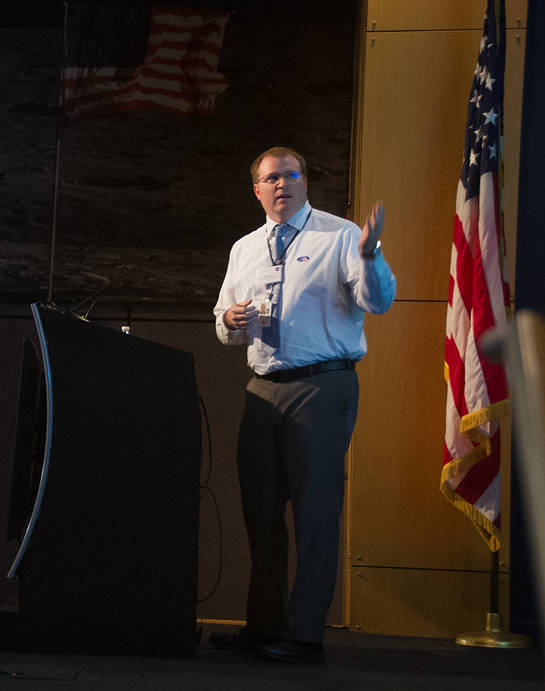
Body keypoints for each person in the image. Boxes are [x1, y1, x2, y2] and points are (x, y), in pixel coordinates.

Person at [210, 147, 396, 662]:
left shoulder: (340, 236)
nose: (282, 184)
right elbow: (222, 319)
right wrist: (231, 322)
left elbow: (378, 301)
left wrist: (370, 253)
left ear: (305, 182)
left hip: (322, 386)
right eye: (271, 178)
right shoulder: (245, 247)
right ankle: (263, 627)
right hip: (262, 389)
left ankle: (305, 636)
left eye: (291, 175)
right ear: (257, 190)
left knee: (316, 514)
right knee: (261, 513)